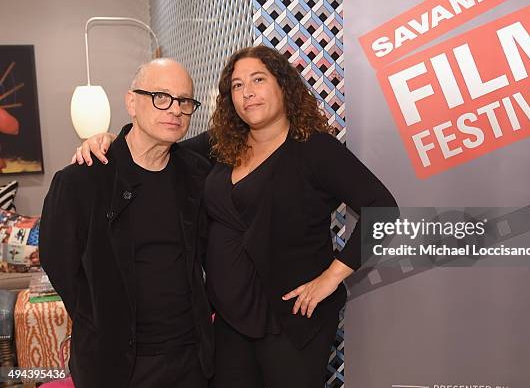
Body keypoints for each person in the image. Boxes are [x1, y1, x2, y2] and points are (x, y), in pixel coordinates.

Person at [73, 45, 397, 388]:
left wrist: (332, 277)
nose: (248, 93)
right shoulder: (223, 144)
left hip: (291, 321)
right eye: (237, 86)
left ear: (283, 85)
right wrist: (110, 139)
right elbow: (159, 146)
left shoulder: (315, 149)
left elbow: (384, 209)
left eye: (258, 80)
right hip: (230, 322)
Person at [41, 58, 214, 388]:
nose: (175, 110)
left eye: (185, 101)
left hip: (190, 358)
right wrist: (100, 317)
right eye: (161, 97)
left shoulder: (197, 173)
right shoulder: (84, 179)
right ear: (131, 102)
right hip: (116, 365)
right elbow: (57, 262)